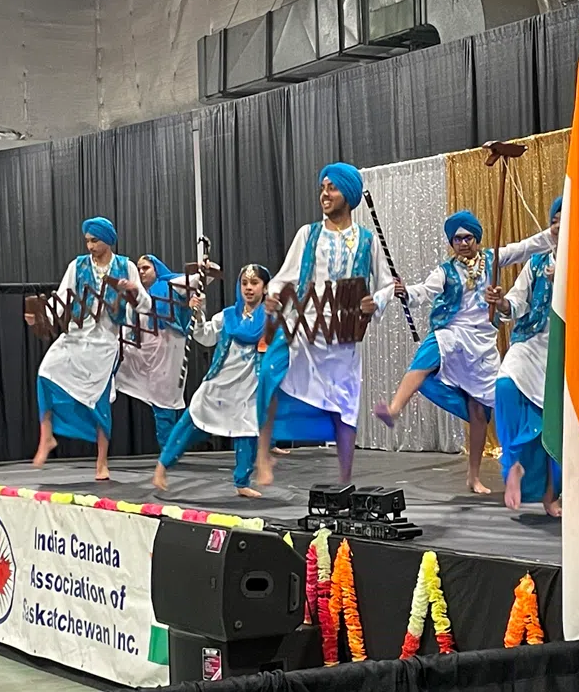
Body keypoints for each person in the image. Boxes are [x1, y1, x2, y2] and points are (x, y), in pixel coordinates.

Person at [373, 209, 556, 494]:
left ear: (477, 239)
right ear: (452, 243)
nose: (463, 243)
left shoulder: (492, 258)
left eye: (468, 237)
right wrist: (406, 292)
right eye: (457, 239)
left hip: (482, 344)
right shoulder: (445, 271)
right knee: (431, 350)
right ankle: (394, 409)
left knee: (479, 413)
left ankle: (477, 475)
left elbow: (525, 247)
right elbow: (425, 290)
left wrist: (554, 232)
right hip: (454, 332)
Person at [256, 163, 394, 486]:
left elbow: (387, 283)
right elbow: (285, 276)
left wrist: (375, 301)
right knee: (269, 375)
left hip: (342, 338)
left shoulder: (367, 240)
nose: (325, 194)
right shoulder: (308, 234)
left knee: (344, 406)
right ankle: (262, 456)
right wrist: (273, 296)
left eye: (332, 188)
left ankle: (345, 479)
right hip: (302, 328)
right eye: (323, 188)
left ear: (349, 194)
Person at [27, 217, 151, 481]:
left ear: (107, 240)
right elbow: (61, 298)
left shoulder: (126, 266)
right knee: (45, 372)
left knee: (100, 401)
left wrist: (134, 291)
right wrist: (41, 317)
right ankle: (46, 437)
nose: (90, 246)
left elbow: (146, 306)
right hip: (76, 335)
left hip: (105, 342)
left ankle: (102, 461)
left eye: (94, 241)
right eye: (87, 241)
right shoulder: (77, 265)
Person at [153, 264, 271, 497]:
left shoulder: (271, 320)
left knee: (247, 431)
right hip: (219, 383)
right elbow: (205, 337)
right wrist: (198, 314)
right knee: (190, 422)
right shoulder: (227, 316)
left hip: (249, 386)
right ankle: (162, 466)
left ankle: (242, 482)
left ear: (265, 288)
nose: (248, 288)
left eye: (254, 283)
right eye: (244, 283)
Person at [486, 197, 563, 516]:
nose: (558, 225)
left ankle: (551, 495)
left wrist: (565, 278)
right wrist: (502, 303)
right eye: (554, 219)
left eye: (564, 219)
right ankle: (514, 462)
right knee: (505, 387)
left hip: (564, 351)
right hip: (529, 342)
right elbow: (517, 302)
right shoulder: (536, 263)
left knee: (555, 425)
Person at [114, 254, 213, 450]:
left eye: (146, 268)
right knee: (116, 370)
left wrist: (205, 267)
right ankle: (174, 446)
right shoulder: (138, 295)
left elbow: (203, 278)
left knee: (165, 400)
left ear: (156, 269)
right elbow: (128, 327)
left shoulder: (171, 284)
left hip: (168, 352)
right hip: (144, 353)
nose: (141, 272)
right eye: (139, 269)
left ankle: (170, 449)